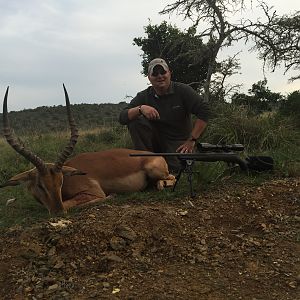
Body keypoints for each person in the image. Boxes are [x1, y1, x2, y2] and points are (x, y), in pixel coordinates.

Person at [119, 58, 210, 172]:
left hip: (178, 143)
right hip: (154, 143)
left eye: (163, 72)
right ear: (149, 77)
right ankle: (145, 162)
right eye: (155, 73)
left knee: (176, 169)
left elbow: (204, 110)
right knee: (135, 121)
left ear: (169, 73)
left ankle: (163, 164)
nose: (159, 76)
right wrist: (140, 108)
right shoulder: (144, 96)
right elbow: (122, 117)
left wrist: (192, 140)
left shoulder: (183, 91)